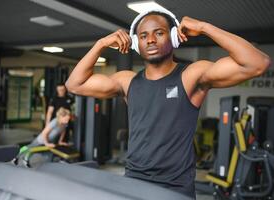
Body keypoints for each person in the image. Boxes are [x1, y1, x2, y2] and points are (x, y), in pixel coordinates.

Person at [65, 7, 270, 199]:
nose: (151, 40)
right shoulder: (127, 81)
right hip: (133, 182)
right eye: (143, 36)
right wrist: (100, 44)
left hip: (175, 188)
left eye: (159, 33)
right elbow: (74, 85)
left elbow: (257, 64)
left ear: (174, 37)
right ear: (136, 44)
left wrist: (204, 28)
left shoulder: (190, 76)